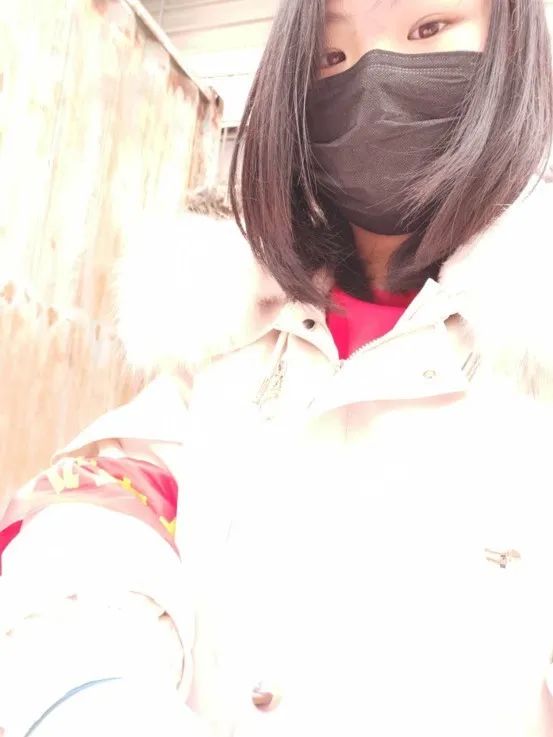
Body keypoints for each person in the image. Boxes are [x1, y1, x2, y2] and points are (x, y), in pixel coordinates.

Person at [1, 0, 553, 735]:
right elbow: (104, 502)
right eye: (330, 58)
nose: (373, 79)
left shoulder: (531, 347)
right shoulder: (228, 334)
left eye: (427, 29)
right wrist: (86, 690)